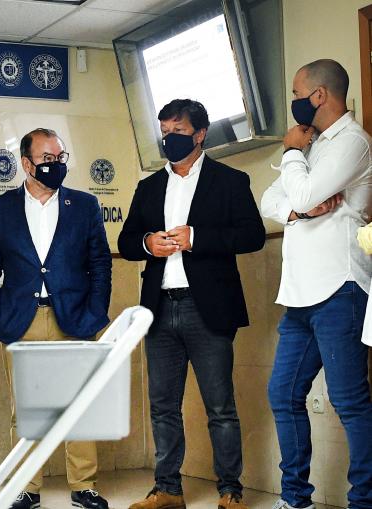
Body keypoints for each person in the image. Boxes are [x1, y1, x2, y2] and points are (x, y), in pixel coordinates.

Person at [119, 99, 265, 509]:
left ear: (200, 134)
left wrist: (197, 238)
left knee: (220, 407)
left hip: (209, 309)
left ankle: (230, 491)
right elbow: (127, 241)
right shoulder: (148, 187)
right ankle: (167, 489)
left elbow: (252, 235)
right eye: (164, 132)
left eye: (178, 132)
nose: (170, 139)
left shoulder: (230, 181)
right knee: (163, 406)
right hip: (159, 308)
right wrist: (148, 243)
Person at [0, 128, 112, 509]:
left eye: (60, 158)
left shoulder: (84, 206)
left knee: (79, 406)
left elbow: (100, 263)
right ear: (25, 163)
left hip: (75, 319)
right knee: (28, 410)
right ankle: (27, 488)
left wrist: (96, 313)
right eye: (47, 159)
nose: (56, 165)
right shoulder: (0, 209)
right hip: (21, 320)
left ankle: (83, 486)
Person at [260, 59, 372, 509]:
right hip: (300, 295)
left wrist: (290, 157)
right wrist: (299, 208)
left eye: (296, 92)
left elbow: (301, 192)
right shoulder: (312, 144)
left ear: (319, 95)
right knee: (283, 394)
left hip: (340, 289)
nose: (294, 101)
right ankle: (295, 499)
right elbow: (273, 199)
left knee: (349, 402)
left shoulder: (354, 143)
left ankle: (363, 500)